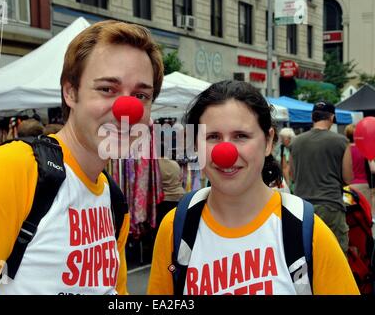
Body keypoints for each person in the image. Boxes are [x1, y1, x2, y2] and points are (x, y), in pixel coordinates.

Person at [0, 20, 164, 294]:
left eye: (141, 95)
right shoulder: (12, 169)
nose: (128, 109)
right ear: (70, 93)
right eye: (107, 89)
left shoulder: (114, 200)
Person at [147, 80, 358, 295]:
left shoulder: (308, 232)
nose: (225, 152)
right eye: (212, 137)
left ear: (268, 142)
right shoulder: (176, 227)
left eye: (241, 136)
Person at [289, 101, 353, 253]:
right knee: (335, 254)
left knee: (307, 253)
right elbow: (348, 178)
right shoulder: (341, 141)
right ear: (332, 117)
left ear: (312, 117)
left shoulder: (295, 142)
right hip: (330, 205)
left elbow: (292, 175)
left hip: (302, 208)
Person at [344, 124, 375, 208]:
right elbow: (373, 169)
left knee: (350, 213)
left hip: (348, 187)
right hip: (363, 185)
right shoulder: (364, 149)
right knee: (366, 213)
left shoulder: (344, 150)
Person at [277, 127, 295, 191]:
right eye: (281, 137)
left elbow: (285, 168)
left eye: (283, 138)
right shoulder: (282, 148)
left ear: (289, 138)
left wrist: (287, 184)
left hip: (289, 181)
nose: (281, 140)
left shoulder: (288, 149)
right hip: (286, 179)